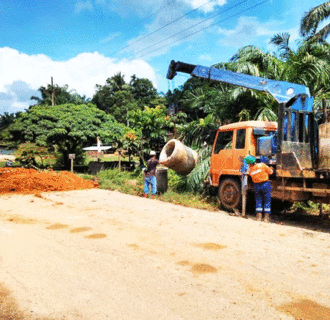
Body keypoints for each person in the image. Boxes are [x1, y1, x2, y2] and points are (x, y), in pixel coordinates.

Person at [245, 155, 273, 222]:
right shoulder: (262, 165)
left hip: (256, 185)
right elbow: (271, 172)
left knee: (258, 200)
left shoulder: (250, 170)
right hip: (265, 184)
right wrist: (271, 169)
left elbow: (250, 174)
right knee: (267, 200)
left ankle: (258, 217)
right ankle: (266, 218)